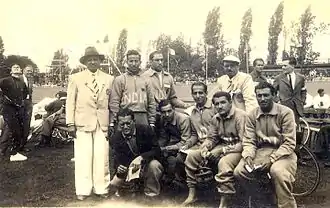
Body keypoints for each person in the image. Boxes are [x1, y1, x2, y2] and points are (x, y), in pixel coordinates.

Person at [234, 81, 297, 208]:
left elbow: (289, 143)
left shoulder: (285, 112)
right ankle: (263, 199)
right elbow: (249, 140)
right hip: (260, 152)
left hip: (283, 152)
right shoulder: (252, 114)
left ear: (274, 95)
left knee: (278, 171)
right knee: (240, 171)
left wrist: (272, 159)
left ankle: (287, 205)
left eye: (266, 95)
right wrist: (248, 156)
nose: (262, 99)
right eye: (259, 95)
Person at [182, 91, 246, 207]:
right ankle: (192, 194)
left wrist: (222, 151)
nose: (220, 106)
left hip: (238, 149)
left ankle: (225, 201)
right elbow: (211, 138)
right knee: (192, 156)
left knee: (224, 163)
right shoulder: (216, 118)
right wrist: (205, 147)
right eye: (216, 104)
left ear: (230, 103)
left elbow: (245, 143)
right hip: (223, 146)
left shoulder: (240, 116)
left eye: (223, 103)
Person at [66, 46, 114, 200]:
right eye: (90, 59)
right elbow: (70, 102)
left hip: (102, 122)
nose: (93, 61)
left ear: (100, 61)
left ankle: (102, 188)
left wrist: (111, 123)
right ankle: (83, 189)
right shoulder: (76, 78)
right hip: (82, 122)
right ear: (85, 62)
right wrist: (70, 123)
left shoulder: (109, 79)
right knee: (83, 157)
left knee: (102, 156)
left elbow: (111, 104)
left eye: (96, 59)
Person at [110, 108, 163, 199]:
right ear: (118, 124)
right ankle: (132, 187)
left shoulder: (146, 130)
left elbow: (157, 150)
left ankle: (151, 194)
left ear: (134, 121)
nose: (125, 127)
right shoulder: (116, 138)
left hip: (147, 164)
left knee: (154, 165)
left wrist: (141, 157)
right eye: (122, 124)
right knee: (112, 186)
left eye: (128, 123)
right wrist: (119, 167)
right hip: (130, 167)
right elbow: (117, 158)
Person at [109, 49, 156, 133]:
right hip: (125, 116)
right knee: (126, 142)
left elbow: (151, 102)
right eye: (131, 61)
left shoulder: (146, 79)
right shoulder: (120, 79)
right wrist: (113, 121)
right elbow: (114, 102)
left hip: (142, 116)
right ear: (126, 62)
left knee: (143, 142)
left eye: (136, 61)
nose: (134, 64)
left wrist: (152, 121)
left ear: (140, 62)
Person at [0, 62, 28, 161]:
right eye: (14, 67)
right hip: (8, 108)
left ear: (21, 70)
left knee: (14, 130)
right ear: (11, 71)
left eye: (18, 67)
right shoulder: (5, 80)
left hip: (18, 108)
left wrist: (20, 103)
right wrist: (3, 100)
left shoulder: (22, 82)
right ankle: (13, 153)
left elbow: (25, 94)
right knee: (13, 130)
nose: (16, 68)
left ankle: (6, 150)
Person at [158, 99, 191, 183]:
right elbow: (163, 137)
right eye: (164, 112)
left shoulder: (183, 119)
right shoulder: (163, 119)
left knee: (176, 160)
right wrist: (157, 148)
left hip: (188, 145)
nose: (167, 114)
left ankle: (179, 180)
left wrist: (167, 148)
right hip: (174, 144)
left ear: (174, 109)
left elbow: (185, 141)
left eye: (169, 111)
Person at [182, 81, 216, 149]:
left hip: (214, 144)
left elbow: (219, 133)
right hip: (199, 144)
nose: (197, 96)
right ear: (192, 94)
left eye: (200, 93)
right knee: (179, 157)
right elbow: (195, 134)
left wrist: (208, 144)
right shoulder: (192, 111)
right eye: (195, 93)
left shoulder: (215, 108)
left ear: (206, 93)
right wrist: (188, 144)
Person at [273, 57, 306, 123]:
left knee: (295, 128)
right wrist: (278, 101)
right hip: (283, 107)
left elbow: (303, 90)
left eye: (285, 65)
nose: (283, 67)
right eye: (282, 65)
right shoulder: (278, 78)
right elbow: (272, 92)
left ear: (292, 66)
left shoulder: (300, 78)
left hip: (297, 108)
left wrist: (302, 101)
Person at [20, 65, 34, 153]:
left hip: (28, 104)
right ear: (23, 70)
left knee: (26, 125)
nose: (29, 72)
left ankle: (23, 145)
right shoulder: (19, 78)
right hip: (20, 104)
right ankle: (15, 145)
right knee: (18, 125)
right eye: (28, 70)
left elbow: (30, 92)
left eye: (31, 71)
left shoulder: (31, 80)